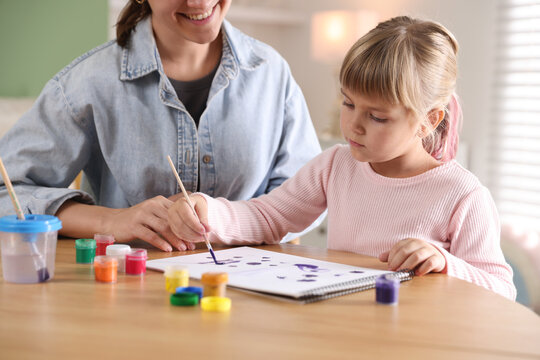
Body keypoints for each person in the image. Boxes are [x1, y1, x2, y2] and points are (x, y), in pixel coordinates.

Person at [168, 16, 517, 300]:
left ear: (429, 120)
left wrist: (445, 263)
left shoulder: (463, 195)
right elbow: (269, 216)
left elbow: (501, 289)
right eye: (348, 103)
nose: (352, 124)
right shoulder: (336, 164)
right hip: (342, 327)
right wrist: (208, 210)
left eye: (377, 117)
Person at [0, 0, 321, 252]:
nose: (199, 2)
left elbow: (308, 199)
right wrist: (112, 220)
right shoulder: (89, 82)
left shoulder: (272, 73)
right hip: (126, 297)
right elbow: (7, 193)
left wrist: (227, 219)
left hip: (249, 298)